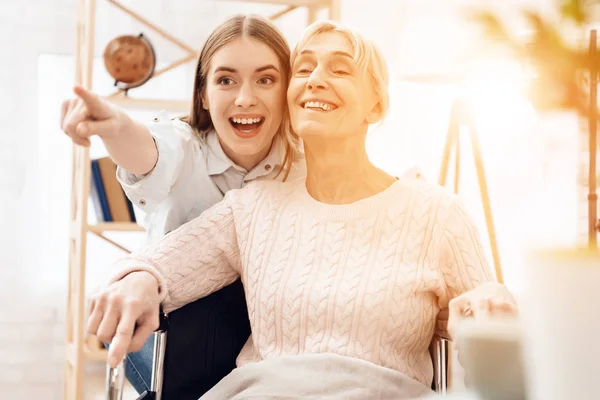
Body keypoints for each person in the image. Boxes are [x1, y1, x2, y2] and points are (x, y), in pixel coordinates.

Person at [87, 20, 517, 399]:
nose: (315, 79)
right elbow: (160, 265)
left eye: (341, 68)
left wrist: (486, 307)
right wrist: (140, 280)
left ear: (377, 105)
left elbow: (489, 331)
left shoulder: (436, 214)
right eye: (305, 67)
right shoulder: (253, 207)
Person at [60, 14, 305, 395]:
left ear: (287, 90)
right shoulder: (183, 145)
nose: (245, 98)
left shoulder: (304, 166)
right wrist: (115, 126)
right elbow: (149, 151)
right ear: (204, 94)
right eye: (226, 80)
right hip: (168, 330)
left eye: (266, 79)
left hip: (258, 347)